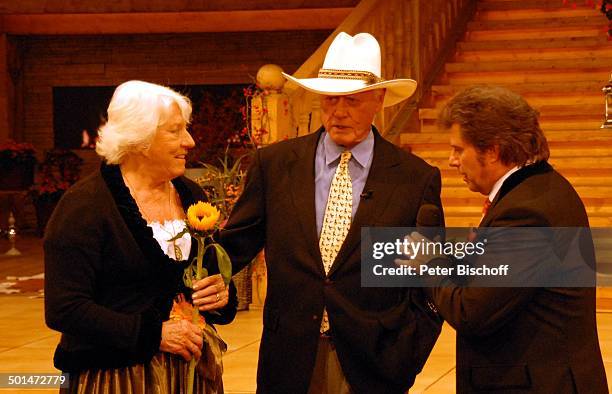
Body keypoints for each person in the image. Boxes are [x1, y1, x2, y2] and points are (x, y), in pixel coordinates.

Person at [219, 32, 444, 393]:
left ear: (379, 99)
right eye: (330, 100)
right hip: (288, 359)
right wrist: (204, 283)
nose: (338, 113)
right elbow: (233, 248)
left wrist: (405, 357)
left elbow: (429, 280)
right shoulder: (275, 165)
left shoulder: (416, 179)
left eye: (352, 101)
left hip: (372, 363)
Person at [44, 80, 237, 393]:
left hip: (190, 374)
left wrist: (220, 296)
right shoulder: (85, 206)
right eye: (175, 130)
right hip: (117, 377)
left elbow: (206, 275)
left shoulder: (191, 194)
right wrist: (153, 335)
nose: (189, 141)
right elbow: (65, 309)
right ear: (139, 137)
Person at [426, 85, 607, 393]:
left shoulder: (527, 212)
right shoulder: (535, 190)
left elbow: (471, 313)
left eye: (459, 149)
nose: (451, 160)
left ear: (493, 150)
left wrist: (429, 261)